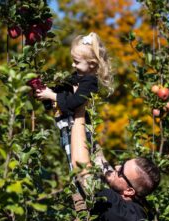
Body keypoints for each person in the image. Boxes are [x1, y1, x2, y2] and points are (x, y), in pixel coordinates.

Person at [70, 105, 161, 221]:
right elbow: (100, 162)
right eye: (122, 163)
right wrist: (86, 118)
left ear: (129, 191)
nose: (116, 166)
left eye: (120, 171)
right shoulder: (140, 207)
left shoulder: (115, 209)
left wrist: (78, 109)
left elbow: (81, 166)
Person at [36, 32, 113, 207]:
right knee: (74, 160)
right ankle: (81, 192)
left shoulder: (90, 82)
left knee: (80, 161)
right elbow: (62, 89)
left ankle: (86, 196)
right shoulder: (78, 76)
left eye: (77, 62)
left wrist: (53, 95)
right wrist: (46, 93)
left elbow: (74, 102)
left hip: (78, 129)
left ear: (92, 64)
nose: (73, 65)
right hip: (68, 128)